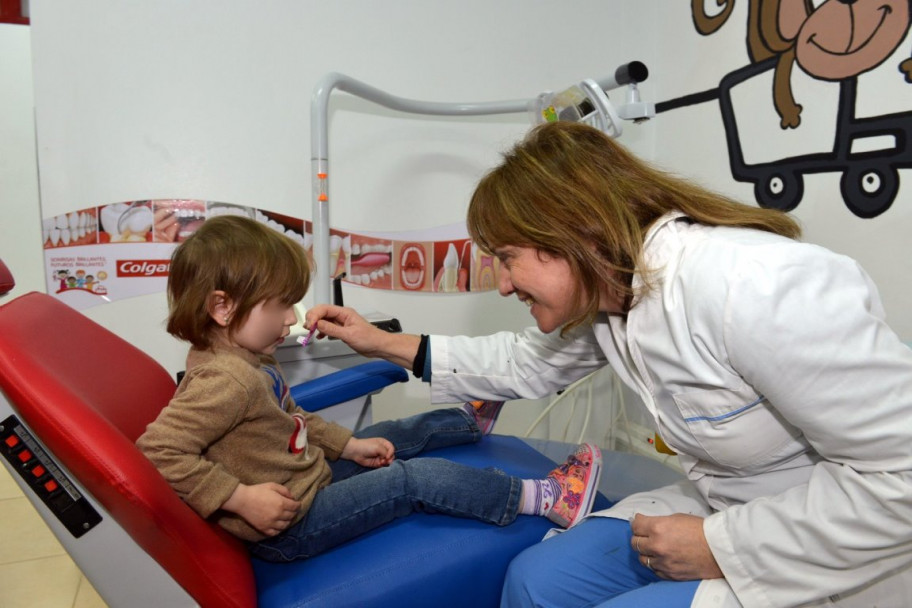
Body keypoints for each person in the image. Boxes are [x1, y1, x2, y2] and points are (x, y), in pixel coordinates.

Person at [305, 122, 912, 607]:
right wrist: (379, 341)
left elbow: (903, 478)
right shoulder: (615, 298)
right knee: (535, 582)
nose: (505, 284)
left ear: (574, 233)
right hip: (727, 502)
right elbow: (522, 365)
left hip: (826, 536)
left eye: (508, 258)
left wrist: (722, 546)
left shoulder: (755, 287)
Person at [136, 214, 602, 563]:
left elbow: (292, 419)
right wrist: (239, 498)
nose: (289, 319)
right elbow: (157, 451)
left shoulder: (248, 358)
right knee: (408, 480)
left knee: (386, 434)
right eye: (279, 305)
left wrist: (349, 445)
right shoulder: (223, 380)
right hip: (292, 525)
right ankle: (542, 497)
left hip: (307, 478)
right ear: (223, 307)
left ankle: (462, 421)